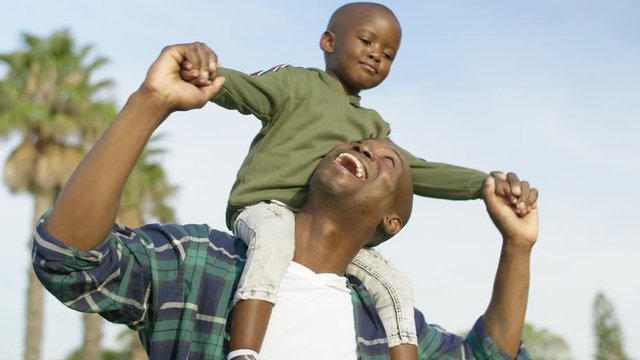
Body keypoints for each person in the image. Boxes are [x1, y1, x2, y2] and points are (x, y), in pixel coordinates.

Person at [34, 42, 538, 360]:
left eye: (389, 161)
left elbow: (489, 356)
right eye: (357, 146)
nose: (364, 146)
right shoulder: (200, 266)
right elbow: (72, 263)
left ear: (393, 221)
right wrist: (153, 101)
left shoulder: (380, 319)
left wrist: (516, 245)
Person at [179, 3, 535, 359]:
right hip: (267, 211)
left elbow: (418, 171)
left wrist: (484, 184)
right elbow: (242, 88)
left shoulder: (373, 128)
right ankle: (244, 351)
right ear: (328, 41)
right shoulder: (296, 83)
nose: (375, 55)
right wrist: (204, 70)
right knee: (272, 247)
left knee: (395, 285)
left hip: (332, 237)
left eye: (388, 54)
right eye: (366, 40)